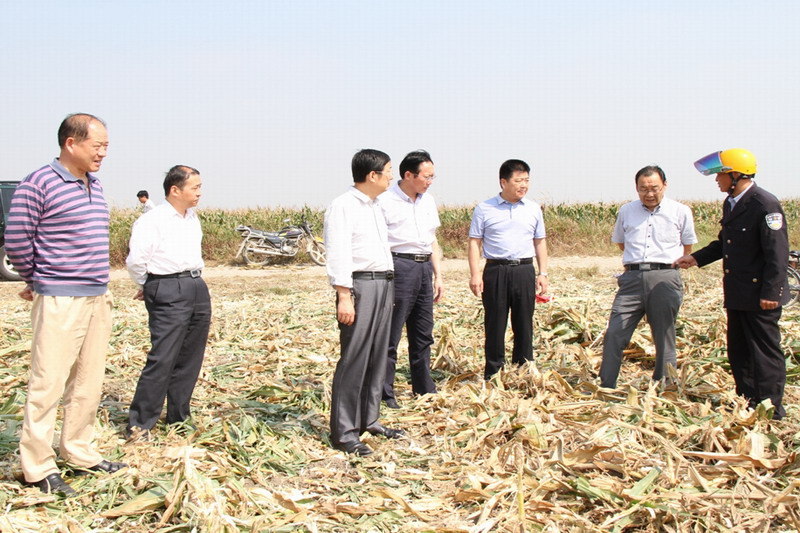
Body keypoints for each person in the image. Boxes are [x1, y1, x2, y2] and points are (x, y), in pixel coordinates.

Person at [4, 113, 126, 496]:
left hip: (97, 295)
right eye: (97, 145)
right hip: (61, 297)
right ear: (71, 143)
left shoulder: (95, 184)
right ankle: (38, 467)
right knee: (48, 383)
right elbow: (18, 240)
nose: (103, 153)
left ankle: (77, 450)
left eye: (106, 146)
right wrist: (36, 279)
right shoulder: (39, 182)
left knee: (88, 381)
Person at [675, 149, 790, 420]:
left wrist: (771, 292)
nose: (717, 180)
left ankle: (771, 409)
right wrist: (696, 258)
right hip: (738, 292)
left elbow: (777, 253)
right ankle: (747, 402)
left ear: (736, 175)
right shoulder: (731, 203)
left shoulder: (764, 204)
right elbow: (724, 242)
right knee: (739, 350)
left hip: (760, 295)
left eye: (721, 175)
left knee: (764, 353)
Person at [324, 149, 404, 456]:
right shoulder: (343, 206)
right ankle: (344, 432)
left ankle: (369, 419)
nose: (391, 177)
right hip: (360, 286)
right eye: (388, 171)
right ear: (372, 175)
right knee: (355, 358)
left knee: (376, 355)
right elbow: (338, 252)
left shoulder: (376, 205)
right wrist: (344, 295)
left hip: (384, 283)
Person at [126, 165, 211, 437]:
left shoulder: (192, 218)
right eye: (195, 187)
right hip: (168, 286)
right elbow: (136, 261)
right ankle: (141, 423)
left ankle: (179, 417)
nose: (199, 192)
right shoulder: (153, 220)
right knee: (163, 356)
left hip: (196, 285)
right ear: (175, 190)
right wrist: (149, 284)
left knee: (190, 357)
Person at [599, 165, 697, 388]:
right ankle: (606, 386)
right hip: (631, 278)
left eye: (654, 188)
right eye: (643, 189)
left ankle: (665, 386)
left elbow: (687, 246)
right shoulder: (627, 211)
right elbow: (621, 242)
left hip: (665, 277)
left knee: (663, 335)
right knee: (615, 332)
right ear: (636, 188)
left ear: (665, 185)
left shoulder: (680, 211)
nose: (649, 193)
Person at [468, 159, 549, 380]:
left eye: (526, 180)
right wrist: (475, 274)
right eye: (518, 180)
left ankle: (523, 369)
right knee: (495, 323)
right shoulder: (485, 208)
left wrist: (543, 273)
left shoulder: (533, 209)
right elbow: (474, 242)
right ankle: (494, 373)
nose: (523, 185)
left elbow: (540, 242)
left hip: (524, 269)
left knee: (524, 322)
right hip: (496, 270)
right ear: (503, 182)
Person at [379, 150, 443, 409]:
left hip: (424, 267)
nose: (430, 182)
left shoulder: (428, 201)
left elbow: (432, 240)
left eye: (433, 177)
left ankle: (423, 387)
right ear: (408, 175)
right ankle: (385, 393)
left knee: (423, 332)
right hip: (399, 267)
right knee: (391, 334)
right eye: (426, 177)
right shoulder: (385, 200)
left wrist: (438, 275)